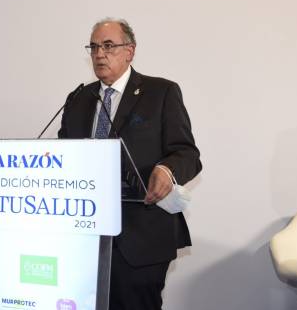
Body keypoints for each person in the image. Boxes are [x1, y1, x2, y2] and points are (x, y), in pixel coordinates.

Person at [58, 18, 202, 310]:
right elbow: (64, 155)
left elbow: (187, 153)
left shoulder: (160, 92)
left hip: (140, 236)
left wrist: (166, 170)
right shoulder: (78, 98)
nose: (99, 54)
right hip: (85, 236)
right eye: (94, 47)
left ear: (130, 51)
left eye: (108, 46)